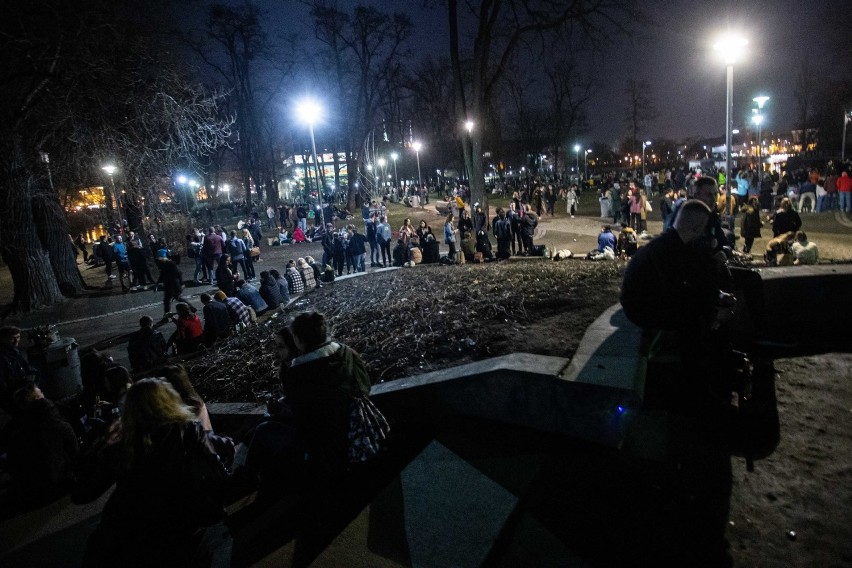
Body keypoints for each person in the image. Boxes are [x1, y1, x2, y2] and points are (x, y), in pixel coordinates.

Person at [620, 200, 736, 565]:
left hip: (651, 335)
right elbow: (689, 308)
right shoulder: (682, 259)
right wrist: (713, 316)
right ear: (696, 230)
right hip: (669, 359)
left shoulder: (657, 250)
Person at [74, 378, 232, 566]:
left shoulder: (125, 444)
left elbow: (82, 493)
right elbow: (218, 474)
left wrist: (103, 445)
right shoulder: (188, 431)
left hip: (133, 529)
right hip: (181, 523)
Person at [282, 312, 372, 480]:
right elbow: (364, 385)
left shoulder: (296, 374)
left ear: (299, 340)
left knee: (265, 431)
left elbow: (302, 419)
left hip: (323, 444)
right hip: (355, 429)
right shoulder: (346, 352)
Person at [4, 382, 78, 509]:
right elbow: (76, 455)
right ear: (38, 399)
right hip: (61, 488)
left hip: (29, 495)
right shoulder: (58, 425)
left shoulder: (12, 433)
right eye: (41, 393)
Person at [155, 250, 191, 317]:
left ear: (163, 257)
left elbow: (178, 273)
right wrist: (157, 283)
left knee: (171, 300)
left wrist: (182, 283)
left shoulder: (170, 263)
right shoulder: (163, 264)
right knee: (171, 300)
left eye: (159, 257)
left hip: (173, 285)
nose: (158, 259)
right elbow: (162, 275)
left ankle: (167, 315)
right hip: (168, 285)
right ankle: (167, 315)